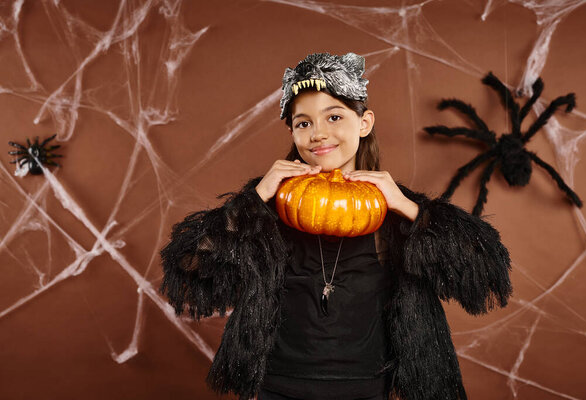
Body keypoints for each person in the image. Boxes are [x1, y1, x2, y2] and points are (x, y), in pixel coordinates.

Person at [159, 52, 513, 400]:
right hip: (279, 387)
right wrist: (254, 199)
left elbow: (485, 273)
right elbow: (189, 266)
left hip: (366, 388)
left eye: (334, 117)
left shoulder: (396, 207)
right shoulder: (264, 206)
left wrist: (408, 207)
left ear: (364, 123)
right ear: (293, 132)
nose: (318, 134)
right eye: (304, 123)